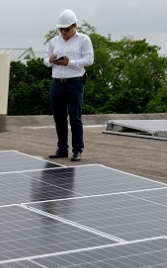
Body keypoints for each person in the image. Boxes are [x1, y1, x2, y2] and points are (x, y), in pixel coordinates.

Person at [44, 9, 94, 162]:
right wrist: (50, 60)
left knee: (74, 118)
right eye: (61, 29)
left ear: (74, 26)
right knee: (59, 117)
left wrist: (69, 63)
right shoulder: (54, 41)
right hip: (57, 82)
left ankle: (77, 149)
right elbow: (45, 61)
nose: (63, 32)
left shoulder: (83, 40)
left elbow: (89, 60)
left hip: (74, 82)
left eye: (66, 29)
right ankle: (62, 148)